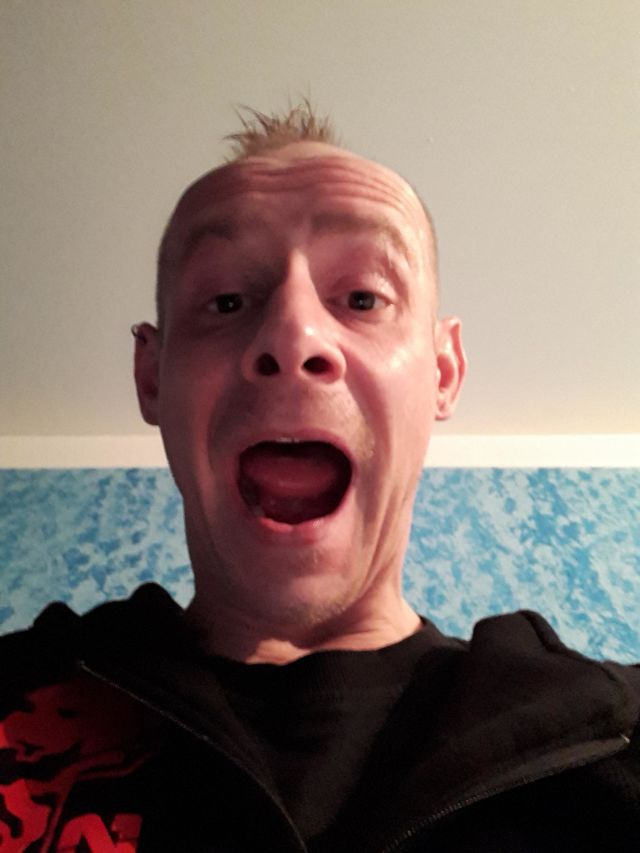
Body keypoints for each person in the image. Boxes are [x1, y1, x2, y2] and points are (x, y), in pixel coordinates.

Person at [1, 104, 639, 852]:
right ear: (152, 376)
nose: (293, 334)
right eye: (227, 301)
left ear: (443, 372)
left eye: (363, 298)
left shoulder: (617, 739)